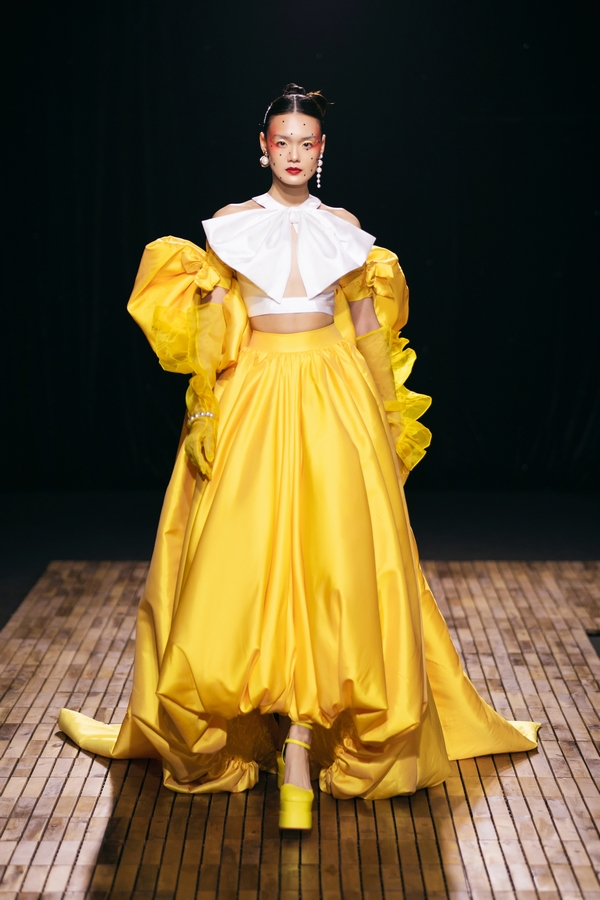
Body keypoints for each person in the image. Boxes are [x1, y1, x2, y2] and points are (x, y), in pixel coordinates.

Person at [59, 84, 539, 830]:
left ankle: (301, 750)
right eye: (280, 141)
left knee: (331, 568)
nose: (292, 153)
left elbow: (367, 329)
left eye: (305, 142)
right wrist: (205, 407)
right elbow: (213, 334)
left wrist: (389, 419)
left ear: (320, 151)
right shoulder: (230, 227)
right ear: (263, 148)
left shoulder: (344, 230)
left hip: (333, 399)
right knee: (247, 570)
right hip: (254, 395)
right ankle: (270, 733)